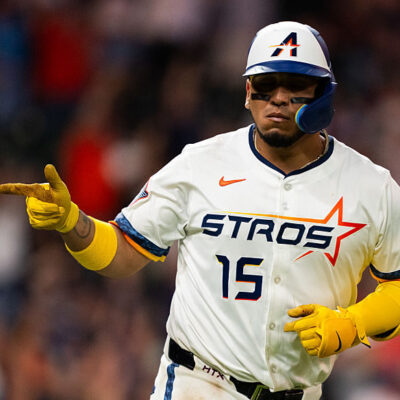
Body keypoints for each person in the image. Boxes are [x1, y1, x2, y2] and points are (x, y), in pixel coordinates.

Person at [1, 21, 400, 400]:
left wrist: (356, 324)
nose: (278, 97)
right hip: (198, 385)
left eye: (295, 85)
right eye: (265, 84)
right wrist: (74, 223)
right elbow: (123, 251)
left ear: (323, 94)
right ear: (247, 93)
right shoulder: (200, 164)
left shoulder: (371, 186)